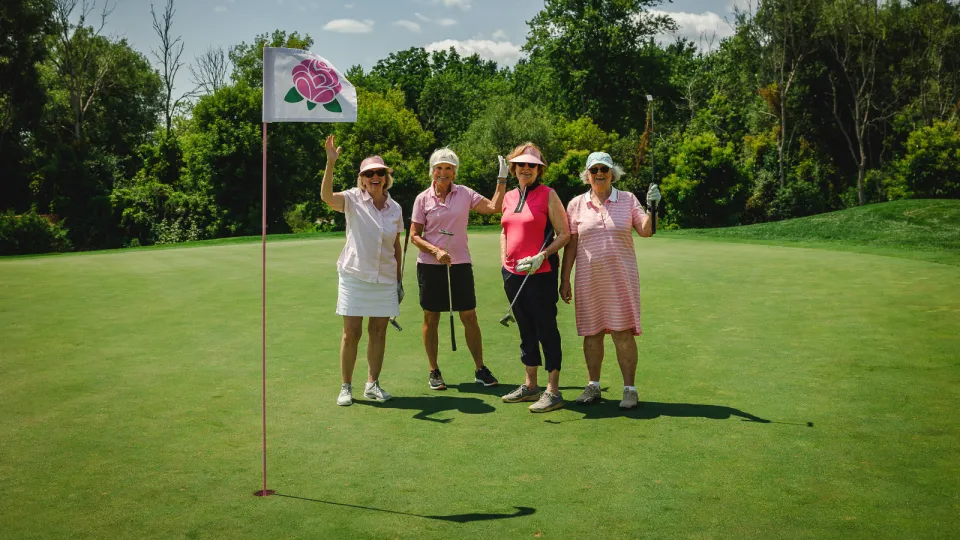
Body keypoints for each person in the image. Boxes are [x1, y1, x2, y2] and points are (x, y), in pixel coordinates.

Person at [559, 151, 661, 410]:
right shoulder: (576, 204)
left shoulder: (627, 199)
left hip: (621, 278)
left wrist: (653, 207)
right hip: (588, 279)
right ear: (587, 175)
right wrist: (565, 279)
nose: (599, 174)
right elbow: (571, 246)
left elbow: (646, 231)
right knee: (591, 333)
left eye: (604, 169)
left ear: (612, 173)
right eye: (594, 170)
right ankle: (593, 386)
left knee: (622, 332)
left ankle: (629, 389)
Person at [410, 148, 507, 390]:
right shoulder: (423, 199)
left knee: (469, 315)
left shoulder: (465, 193)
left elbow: (494, 207)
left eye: (448, 168)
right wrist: (435, 251)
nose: (443, 172)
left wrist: (502, 179)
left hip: (460, 263)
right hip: (430, 266)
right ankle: (434, 370)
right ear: (432, 171)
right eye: (439, 168)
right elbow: (414, 235)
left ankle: (480, 369)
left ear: (454, 172)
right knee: (431, 317)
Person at [320, 135, 404, 406]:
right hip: (354, 275)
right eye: (369, 174)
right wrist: (330, 163)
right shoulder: (352, 199)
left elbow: (396, 246)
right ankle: (346, 386)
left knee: (378, 332)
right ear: (362, 179)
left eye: (380, 172)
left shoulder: (395, 208)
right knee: (351, 332)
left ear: (386, 177)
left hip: (385, 278)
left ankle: (372, 384)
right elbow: (326, 197)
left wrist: (399, 281)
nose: (375, 177)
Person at [499, 143, 570, 413]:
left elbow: (564, 234)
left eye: (532, 165)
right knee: (525, 328)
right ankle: (530, 386)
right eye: (521, 164)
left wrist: (542, 255)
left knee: (545, 328)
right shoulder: (508, 197)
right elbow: (504, 231)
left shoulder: (548, 194)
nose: (526, 168)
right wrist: (504, 262)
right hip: (513, 274)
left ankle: (553, 390)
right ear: (514, 168)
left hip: (541, 273)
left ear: (539, 170)